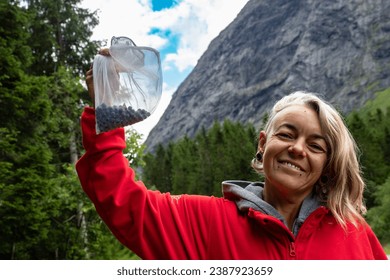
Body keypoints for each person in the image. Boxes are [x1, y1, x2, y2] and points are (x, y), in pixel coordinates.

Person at [76, 50, 387, 260]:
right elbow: (126, 203)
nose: (297, 148)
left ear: (327, 164)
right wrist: (107, 111)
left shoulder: (355, 234)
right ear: (263, 144)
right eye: (286, 134)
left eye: (316, 145)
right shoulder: (204, 221)